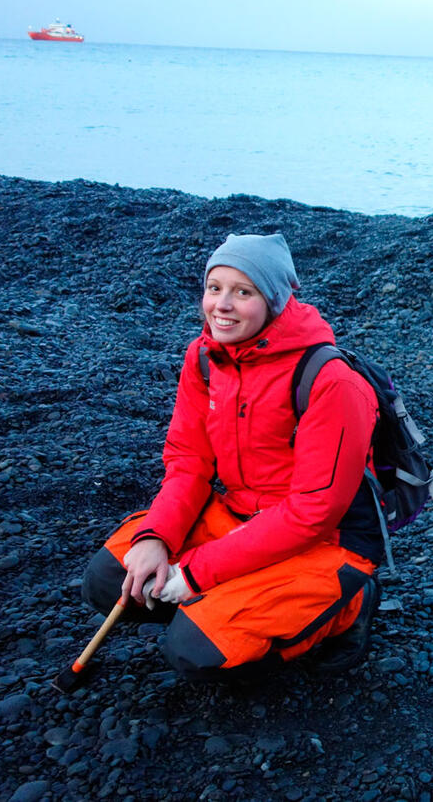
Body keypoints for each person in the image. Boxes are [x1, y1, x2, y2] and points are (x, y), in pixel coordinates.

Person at [82, 233, 383, 679]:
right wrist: (156, 538)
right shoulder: (206, 358)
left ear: (275, 301)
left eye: (243, 292)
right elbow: (188, 459)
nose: (221, 305)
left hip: (323, 541)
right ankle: (229, 601)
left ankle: (352, 602)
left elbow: (312, 513)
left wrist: (199, 573)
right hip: (239, 515)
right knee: (109, 580)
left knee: (193, 651)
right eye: (214, 287)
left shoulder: (331, 381)